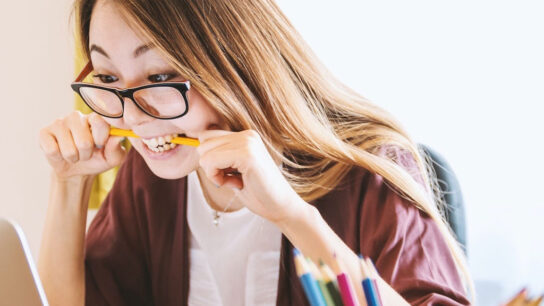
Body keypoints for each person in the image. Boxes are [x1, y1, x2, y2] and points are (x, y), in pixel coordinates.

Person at [38, 0, 472, 305]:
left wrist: (292, 215)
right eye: (111, 78)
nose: (133, 116)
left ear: (234, 60)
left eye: (160, 74)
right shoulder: (151, 174)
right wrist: (70, 184)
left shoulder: (368, 171)